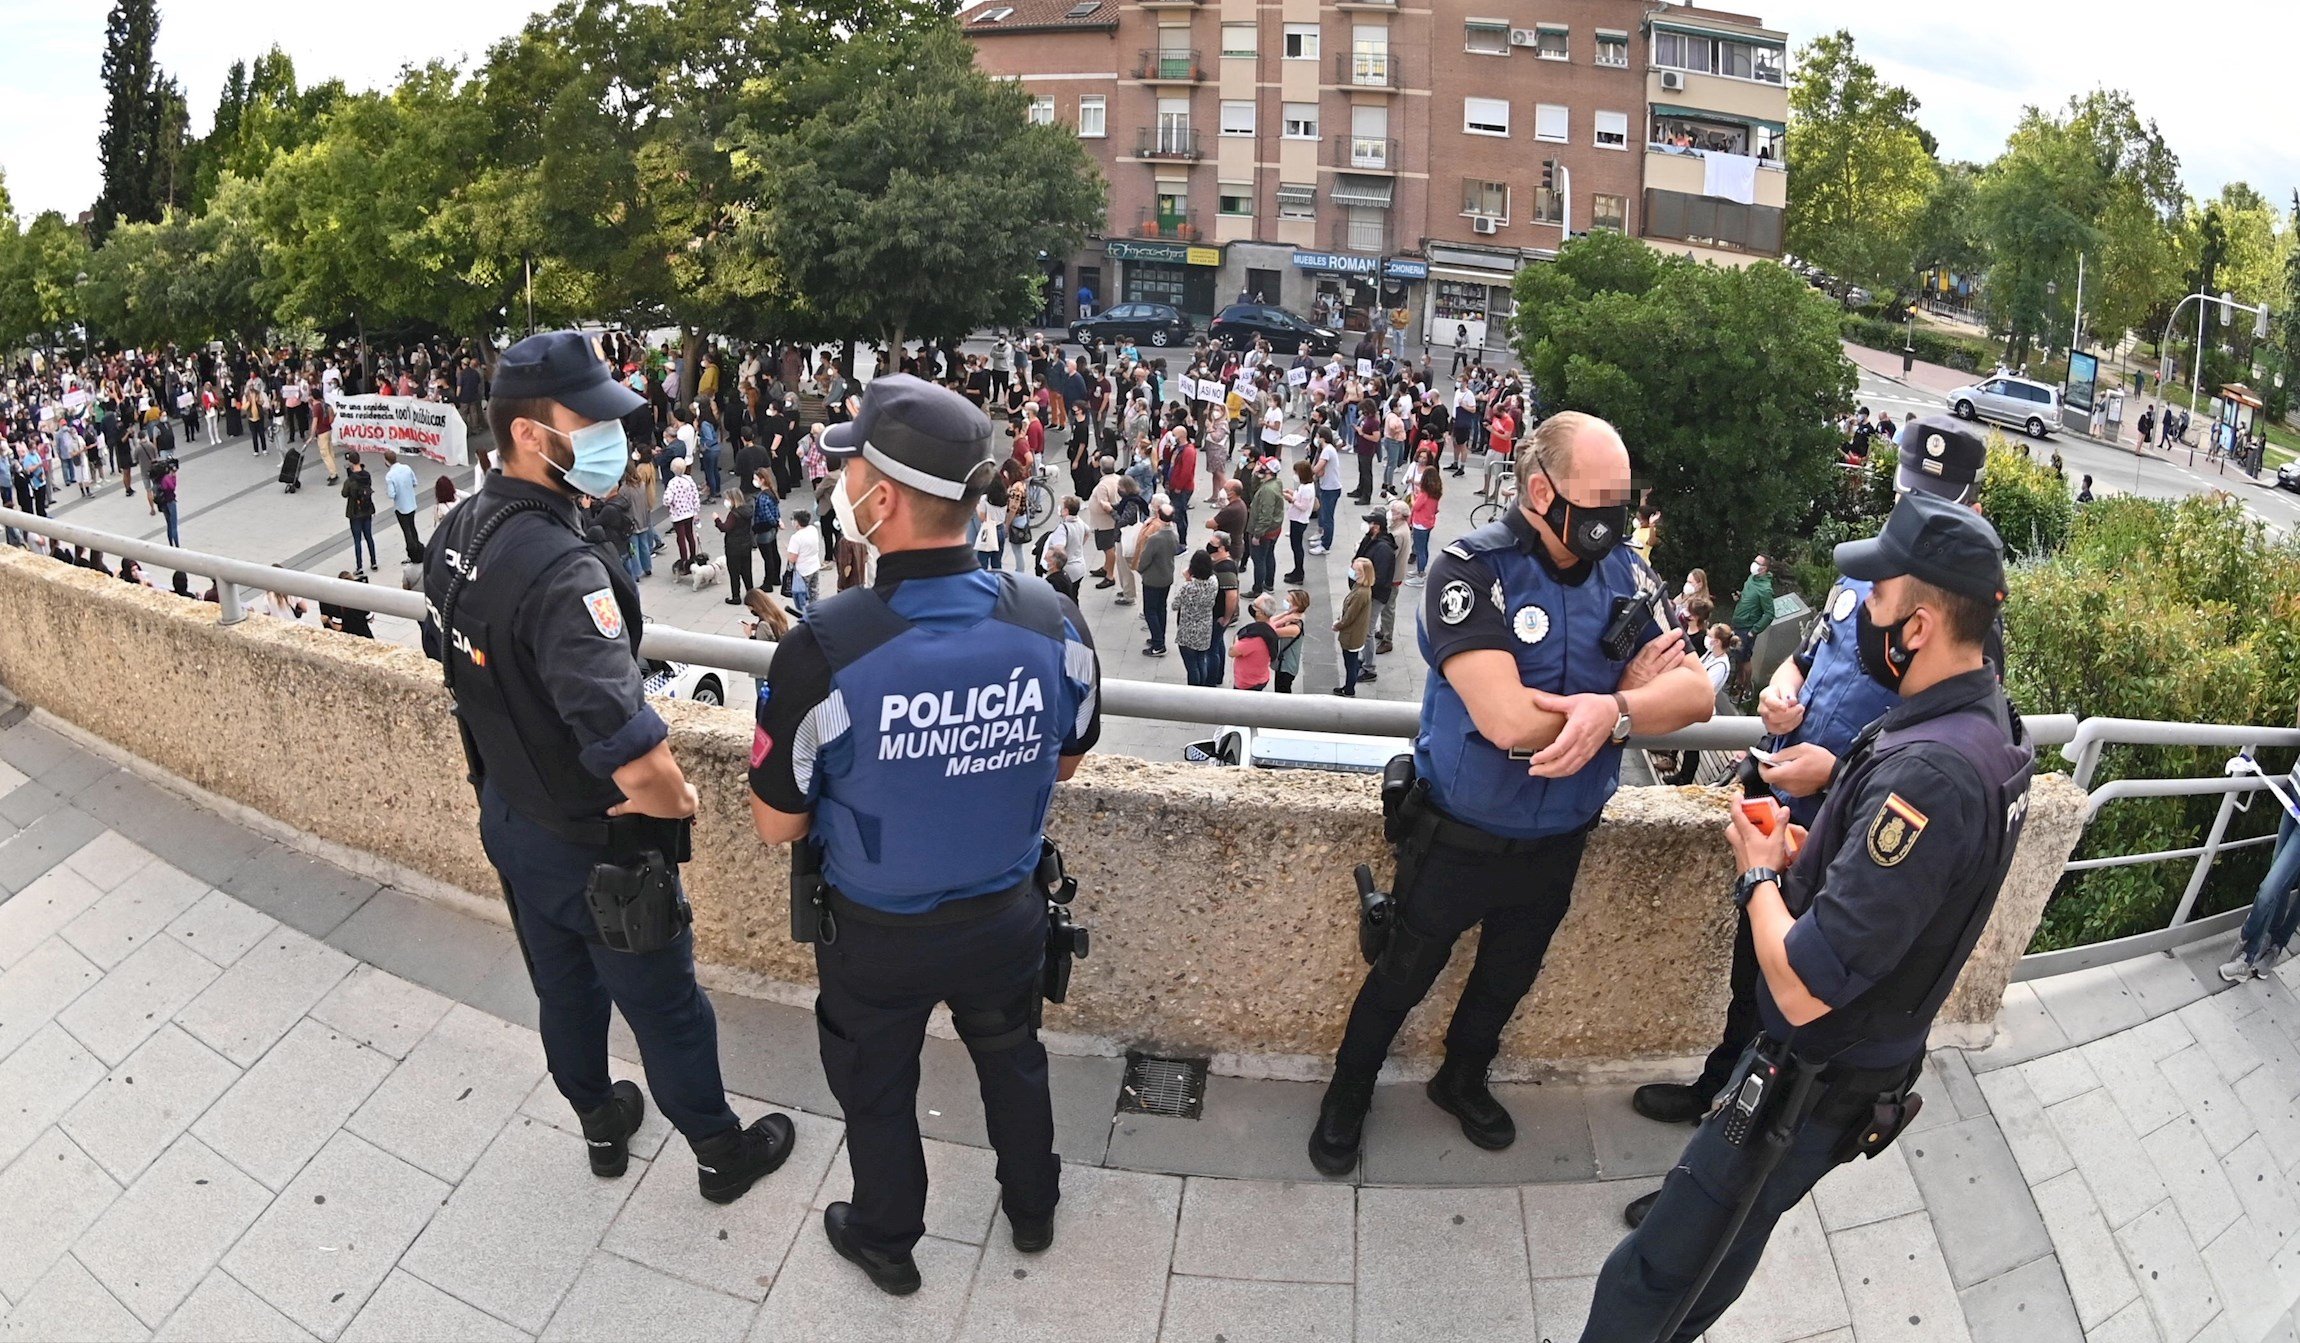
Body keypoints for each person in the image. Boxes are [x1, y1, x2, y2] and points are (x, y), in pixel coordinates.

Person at [1583, 492, 2033, 1341]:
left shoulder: (1931, 776)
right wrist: (1810, 849)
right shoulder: (1988, 723)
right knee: (1716, 1249)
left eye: (1882, 600)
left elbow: (1797, 989)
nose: (1865, 613)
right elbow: (1914, 896)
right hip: (1851, 1069)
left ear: (1924, 624)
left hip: (1812, 1076)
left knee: (1659, 1272)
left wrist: (1758, 873)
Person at [744, 373, 1102, 1295]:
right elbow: (1067, 758)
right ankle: (1033, 1207)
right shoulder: (1053, 618)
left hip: (876, 935)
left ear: (885, 498)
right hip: (1007, 915)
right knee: (1013, 1060)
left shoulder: (822, 647)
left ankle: (888, 1237)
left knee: (877, 1085)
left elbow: (777, 817)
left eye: (849, 469)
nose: (840, 488)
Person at [421, 330, 796, 1203]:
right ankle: (717, 1150)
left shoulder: (456, 530)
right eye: (587, 420)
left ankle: (599, 1121)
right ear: (527, 435)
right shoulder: (563, 573)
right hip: (600, 848)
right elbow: (638, 758)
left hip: (512, 815)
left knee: (563, 990)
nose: (612, 438)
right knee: (665, 1008)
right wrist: (682, 797)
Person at [1308, 412, 1715, 1174]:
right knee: (1401, 973)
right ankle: (1348, 1093)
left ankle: (1461, 1077)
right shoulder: (1470, 569)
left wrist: (1615, 710)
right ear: (1539, 489)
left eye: (1621, 501)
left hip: (1559, 836)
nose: (1613, 519)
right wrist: (1622, 700)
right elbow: (1506, 720)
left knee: (1507, 977)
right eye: (1598, 499)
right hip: (1457, 835)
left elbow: (1695, 699)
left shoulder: (1627, 573)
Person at [1626, 416, 1992, 1197]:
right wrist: (1782, 689)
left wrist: (1834, 766)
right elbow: (1810, 653)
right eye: (1907, 496)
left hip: (1843, 823)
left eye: (1933, 502)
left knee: (1787, 1012)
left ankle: (1712, 1169)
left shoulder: (1967, 624)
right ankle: (1713, 1089)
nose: (1911, 513)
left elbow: (1932, 743)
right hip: (1780, 799)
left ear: (1970, 505)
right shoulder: (1872, 573)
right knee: (1748, 972)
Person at [1134, 497, 1180, 656]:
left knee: (1150, 611)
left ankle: (1159, 644)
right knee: (1161, 608)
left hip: (1153, 579)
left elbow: (1145, 559)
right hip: (1166, 576)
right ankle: (1158, 637)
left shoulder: (1155, 538)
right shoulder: (1174, 534)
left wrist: (1140, 569)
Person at [1175, 550, 1221, 686]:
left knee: (1191, 666)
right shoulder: (1214, 581)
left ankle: (1194, 689)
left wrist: (1187, 580)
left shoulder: (1188, 587)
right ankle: (1202, 687)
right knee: (1201, 660)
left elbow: (1175, 604)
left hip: (1188, 629)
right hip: (1205, 626)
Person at [1331, 557, 1374, 697]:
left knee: (1350, 664)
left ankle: (1349, 690)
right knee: (1351, 662)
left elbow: (1350, 616)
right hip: (1355, 633)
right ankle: (1349, 686)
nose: (1352, 571)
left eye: (1356, 570)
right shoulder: (1361, 588)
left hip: (1352, 635)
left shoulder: (1361, 593)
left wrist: (1338, 625)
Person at [716, 483, 755, 605]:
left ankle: (736, 596)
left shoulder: (734, 514)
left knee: (734, 572)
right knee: (747, 571)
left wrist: (717, 520)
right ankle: (752, 594)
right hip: (746, 544)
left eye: (727, 499)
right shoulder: (747, 510)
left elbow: (725, 528)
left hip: (734, 546)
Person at [383, 450, 425, 563]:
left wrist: (388, 492)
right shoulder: (407, 468)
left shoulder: (390, 476)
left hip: (401, 507)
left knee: (406, 531)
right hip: (411, 503)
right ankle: (419, 549)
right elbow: (415, 482)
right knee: (412, 527)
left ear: (387, 462)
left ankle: (412, 554)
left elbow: (392, 494)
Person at [342, 454, 379, 574]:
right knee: (369, 537)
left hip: (355, 512)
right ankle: (374, 562)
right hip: (367, 509)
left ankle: (360, 567)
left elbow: (344, 493)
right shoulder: (367, 475)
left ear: (350, 463)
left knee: (357, 540)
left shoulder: (351, 479)